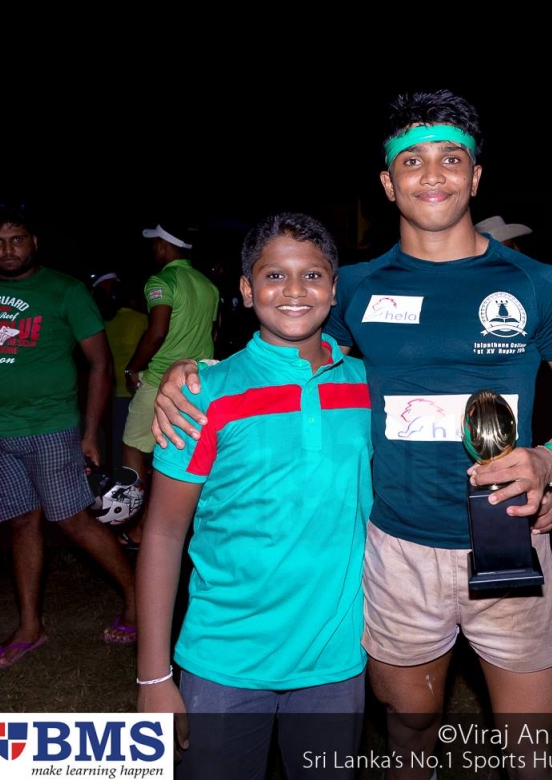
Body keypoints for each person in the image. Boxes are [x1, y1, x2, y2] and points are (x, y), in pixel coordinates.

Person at [152, 90, 552, 779]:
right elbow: (293, 354)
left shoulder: (535, 283)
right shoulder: (354, 288)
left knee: (530, 753)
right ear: (388, 182)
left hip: (510, 540)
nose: (432, 175)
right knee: (410, 731)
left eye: (450, 159)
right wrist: (199, 372)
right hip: (396, 551)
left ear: (475, 176)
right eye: (412, 160)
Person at [136, 212, 370, 778]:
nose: (294, 291)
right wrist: (153, 675)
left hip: (336, 660)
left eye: (312, 275)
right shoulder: (203, 394)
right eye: (274, 276)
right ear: (245, 289)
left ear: (334, 288)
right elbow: (163, 533)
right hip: (222, 657)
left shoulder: (369, 387)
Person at [0, 203, 137, 669]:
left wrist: (90, 432)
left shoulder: (65, 290)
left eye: (17, 239)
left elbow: (100, 364)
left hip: (50, 427)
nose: (8, 250)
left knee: (74, 522)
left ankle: (138, 600)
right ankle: (30, 627)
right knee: (21, 523)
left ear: (34, 242)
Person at [119, 223, 218, 545]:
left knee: (133, 447)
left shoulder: (161, 281)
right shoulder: (208, 285)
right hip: (199, 381)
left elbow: (157, 331)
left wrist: (133, 368)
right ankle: (160, 528)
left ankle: (136, 521)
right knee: (176, 453)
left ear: (163, 246)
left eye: (155, 244)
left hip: (162, 379)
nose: (153, 249)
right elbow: (214, 332)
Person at [90, 270, 147, 474]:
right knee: (136, 445)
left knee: (117, 444)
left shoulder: (99, 324)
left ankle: (119, 480)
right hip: (137, 389)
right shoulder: (141, 320)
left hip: (114, 392)